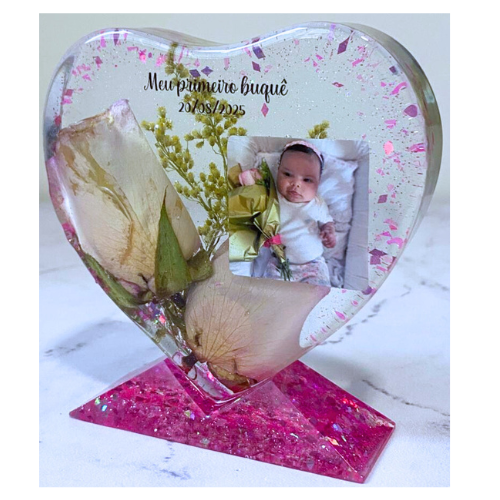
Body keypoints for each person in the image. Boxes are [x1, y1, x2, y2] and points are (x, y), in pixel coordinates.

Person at [263, 140, 336, 286]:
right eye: (288, 174)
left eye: (307, 180)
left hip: (313, 265)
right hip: (279, 264)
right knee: (272, 291)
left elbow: (327, 222)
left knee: (318, 292)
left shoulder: (316, 203)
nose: (296, 184)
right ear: (278, 171)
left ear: (318, 182)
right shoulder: (272, 199)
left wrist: (329, 231)